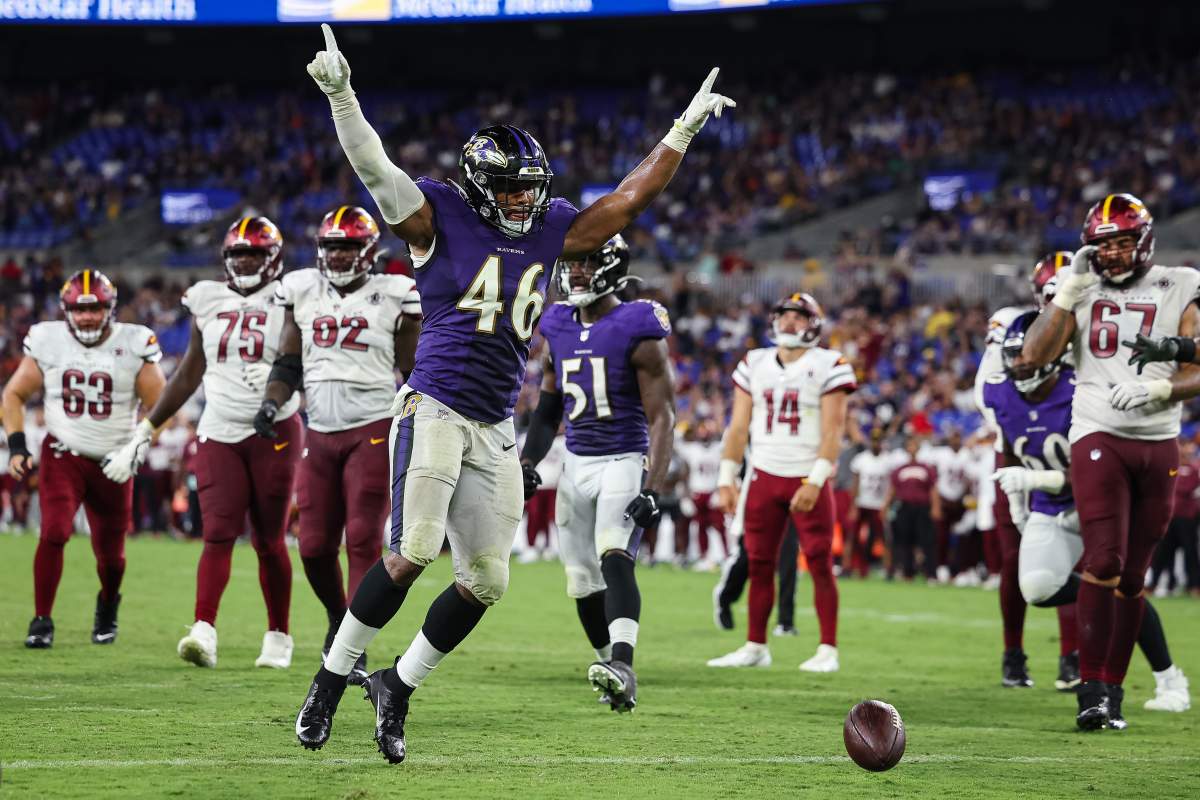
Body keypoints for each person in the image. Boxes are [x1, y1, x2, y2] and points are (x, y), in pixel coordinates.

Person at [295, 24, 734, 762]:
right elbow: (374, 168)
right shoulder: (438, 216)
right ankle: (330, 681)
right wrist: (342, 96)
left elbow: (627, 202)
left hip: (495, 423)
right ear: (479, 185)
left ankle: (397, 684)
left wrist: (681, 131)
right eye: (511, 188)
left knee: (487, 580)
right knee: (411, 552)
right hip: (435, 404)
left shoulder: (553, 227)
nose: (525, 200)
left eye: (532, 188)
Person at [1022, 193, 1200, 729]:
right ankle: (1092, 691)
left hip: (1158, 438)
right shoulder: (1080, 286)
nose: (1114, 253)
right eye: (1105, 244)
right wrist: (1067, 291)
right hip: (1097, 433)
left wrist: (1161, 391)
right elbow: (1034, 355)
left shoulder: (1180, 283)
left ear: (1143, 241)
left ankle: (1113, 694)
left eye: (1123, 242)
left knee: (1133, 577)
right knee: (1103, 562)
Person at [104, 217, 301, 671]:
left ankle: (279, 634)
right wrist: (145, 429)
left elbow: (313, 359)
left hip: (274, 429)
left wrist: (285, 380)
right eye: (238, 254)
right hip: (219, 428)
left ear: (272, 257)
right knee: (217, 533)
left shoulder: (292, 295)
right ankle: (203, 629)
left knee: (269, 538)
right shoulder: (207, 298)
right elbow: (189, 372)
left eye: (254, 253)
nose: (245, 261)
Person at [990, 311, 1189, 712]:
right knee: (1038, 588)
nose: (1020, 365)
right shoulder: (1001, 396)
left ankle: (1169, 678)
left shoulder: (1079, 391)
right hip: (1051, 508)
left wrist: (1036, 480)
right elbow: (1011, 449)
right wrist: (1017, 501)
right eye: (1014, 356)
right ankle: (1105, 595)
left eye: (1027, 356)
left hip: (1099, 501)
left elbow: (1094, 470)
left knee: (1122, 583)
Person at [256, 205, 422, 685]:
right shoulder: (302, 290)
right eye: (332, 246)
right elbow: (288, 363)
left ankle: (355, 645)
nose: (339, 255)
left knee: (363, 537)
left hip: (373, 428)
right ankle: (339, 616)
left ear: (368, 250)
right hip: (320, 431)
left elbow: (412, 369)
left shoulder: (395, 293)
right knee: (312, 546)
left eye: (348, 246)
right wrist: (271, 403)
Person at [519, 234, 675, 712]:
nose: (576, 272)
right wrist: (528, 462)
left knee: (614, 552)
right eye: (572, 263)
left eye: (586, 263)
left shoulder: (637, 322)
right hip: (576, 460)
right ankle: (609, 667)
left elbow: (662, 416)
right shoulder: (557, 322)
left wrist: (653, 487)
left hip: (623, 458)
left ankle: (624, 665)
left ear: (611, 265)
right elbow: (548, 410)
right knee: (581, 578)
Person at [3, 269, 164, 648]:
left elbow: (161, 405)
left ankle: (107, 604)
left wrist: (136, 448)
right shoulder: (48, 339)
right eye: (79, 309)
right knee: (54, 532)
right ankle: (41, 619)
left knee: (111, 555)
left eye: (95, 309)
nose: (87, 317)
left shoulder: (134, 341)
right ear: (66, 310)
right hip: (64, 453)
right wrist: (18, 445)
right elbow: (13, 394)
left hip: (114, 459)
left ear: (110, 308)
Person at [707, 293, 854, 672]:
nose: (789, 322)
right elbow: (738, 427)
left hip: (805, 473)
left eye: (799, 317)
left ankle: (828, 649)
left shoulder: (829, 364)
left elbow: (834, 431)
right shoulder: (755, 362)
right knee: (759, 562)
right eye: (784, 316)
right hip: (763, 473)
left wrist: (816, 480)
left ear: (814, 324)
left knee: (819, 561)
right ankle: (756, 646)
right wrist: (726, 477)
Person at [881, 437, 941, 581]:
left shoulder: (926, 468)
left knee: (927, 541)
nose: (912, 448)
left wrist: (936, 507)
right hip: (904, 507)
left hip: (922, 507)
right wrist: (885, 506)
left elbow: (933, 489)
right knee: (905, 540)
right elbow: (892, 489)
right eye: (909, 445)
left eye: (914, 445)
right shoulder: (900, 470)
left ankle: (931, 573)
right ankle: (908, 572)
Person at [845, 428, 890, 578]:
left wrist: (886, 505)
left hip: (878, 504)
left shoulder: (888, 460)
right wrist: (853, 505)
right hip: (862, 502)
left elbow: (891, 486)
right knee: (852, 536)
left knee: (884, 537)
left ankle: (888, 569)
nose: (876, 443)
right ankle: (847, 567)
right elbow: (855, 483)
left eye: (879, 441)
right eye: (874, 440)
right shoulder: (861, 459)